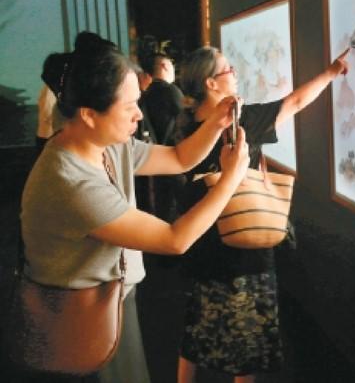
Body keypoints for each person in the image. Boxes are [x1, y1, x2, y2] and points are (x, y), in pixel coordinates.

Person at [20, 42, 250, 383]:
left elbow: (179, 158)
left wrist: (216, 123)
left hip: (111, 298)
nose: (139, 115)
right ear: (88, 114)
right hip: (78, 314)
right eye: (129, 106)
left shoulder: (108, 145)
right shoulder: (69, 181)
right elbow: (174, 239)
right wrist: (231, 179)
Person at [175, 46, 349, 383]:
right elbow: (295, 102)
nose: (234, 74)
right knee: (249, 345)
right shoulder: (242, 123)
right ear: (211, 83)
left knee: (196, 329)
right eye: (228, 69)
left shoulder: (185, 128)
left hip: (201, 244)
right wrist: (331, 73)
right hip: (244, 248)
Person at [135, 51, 185, 220]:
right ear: (164, 66)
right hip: (173, 164)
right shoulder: (171, 92)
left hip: (151, 168)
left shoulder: (143, 96)